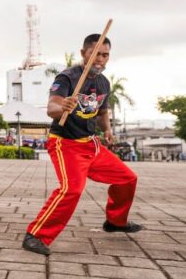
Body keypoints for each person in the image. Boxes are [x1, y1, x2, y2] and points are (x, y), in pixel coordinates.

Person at [22, 34, 142, 256]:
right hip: (66, 144)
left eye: (105, 55)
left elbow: (103, 111)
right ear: (83, 53)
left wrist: (107, 129)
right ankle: (36, 235)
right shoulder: (68, 77)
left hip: (92, 145)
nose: (101, 59)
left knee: (127, 178)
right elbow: (51, 108)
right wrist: (63, 106)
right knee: (72, 189)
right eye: (96, 54)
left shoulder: (103, 82)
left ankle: (115, 221)